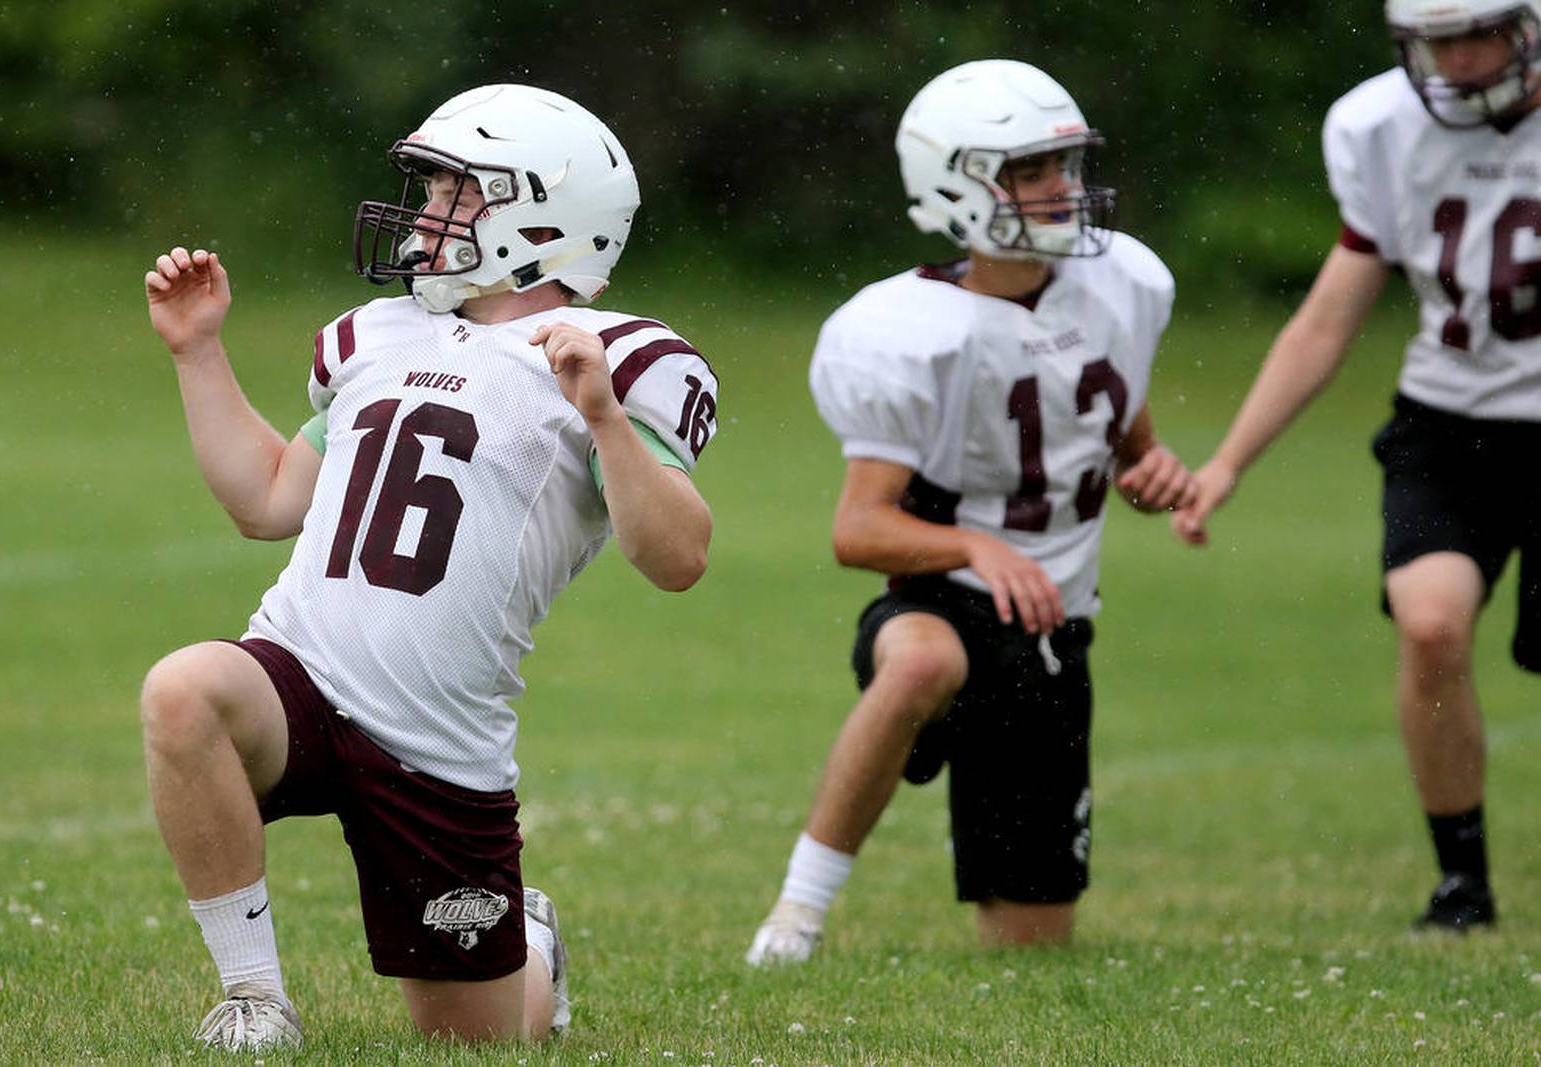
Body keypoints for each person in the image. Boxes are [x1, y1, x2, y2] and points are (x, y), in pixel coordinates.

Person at [140, 83, 718, 1049]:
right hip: (302, 675)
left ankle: (527, 940)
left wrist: (605, 415)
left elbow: (678, 558)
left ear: (543, 215)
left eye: (457, 191)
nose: (425, 214)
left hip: (439, 742)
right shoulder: (376, 335)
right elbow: (269, 500)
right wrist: (199, 354)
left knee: (475, 1040)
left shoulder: (619, 356)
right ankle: (254, 997)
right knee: (184, 689)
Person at [745, 60, 1194, 965]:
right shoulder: (910, 328)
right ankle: (796, 915)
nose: (1063, 191)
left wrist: (1155, 471)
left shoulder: (1123, 285)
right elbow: (858, 529)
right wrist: (975, 550)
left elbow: (1124, 438)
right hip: (940, 593)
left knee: (1029, 945)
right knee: (920, 663)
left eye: (1064, 167)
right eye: (1032, 172)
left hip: (1053, 623)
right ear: (959, 184)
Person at [1172, 0, 1541, 932]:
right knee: (1429, 626)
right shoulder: (1380, 125)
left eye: (1478, 34)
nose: (1456, 60)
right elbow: (1327, 319)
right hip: (1449, 421)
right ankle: (1463, 882)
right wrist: (1229, 463)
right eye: (1435, 41)